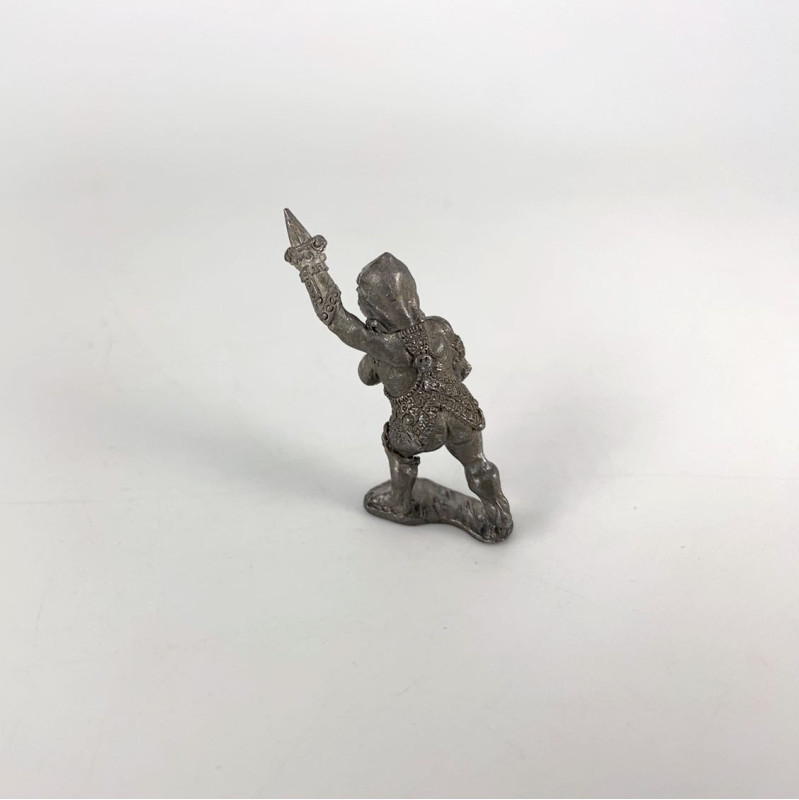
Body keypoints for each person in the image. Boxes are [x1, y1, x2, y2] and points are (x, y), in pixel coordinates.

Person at [284, 209, 512, 540]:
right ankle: (498, 512)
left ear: (372, 306)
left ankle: (400, 501)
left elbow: (337, 321)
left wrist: (311, 267)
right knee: (477, 462)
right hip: (462, 410)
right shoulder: (440, 327)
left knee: (397, 447)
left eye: (361, 295)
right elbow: (462, 369)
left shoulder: (386, 346)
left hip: (419, 425)